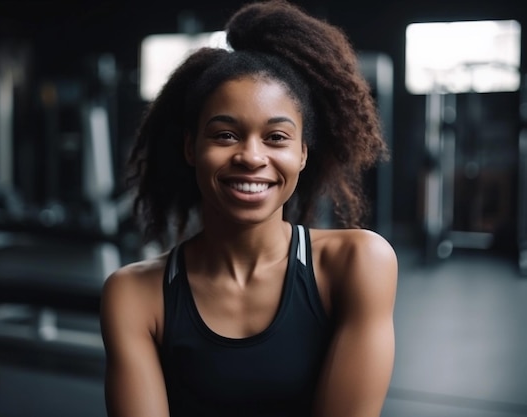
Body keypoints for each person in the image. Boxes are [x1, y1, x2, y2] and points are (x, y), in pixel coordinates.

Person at [99, 1, 398, 416]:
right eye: (225, 135)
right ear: (191, 148)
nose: (251, 157)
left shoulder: (360, 264)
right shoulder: (134, 295)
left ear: (303, 154)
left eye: (276, 137)